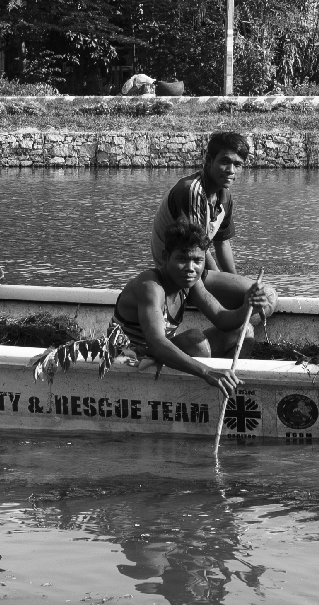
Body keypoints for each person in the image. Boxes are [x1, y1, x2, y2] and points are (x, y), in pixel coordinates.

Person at [113, 221, 269, 403]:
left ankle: (225, 391)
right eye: (182, 259)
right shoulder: (150, 286)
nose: (190, 268)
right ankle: (202, 391)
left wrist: (247, 306)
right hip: (133, 357)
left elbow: (221, 318)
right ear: (165, 257)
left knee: (245, 330)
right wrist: (207, 372)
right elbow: (156, 343)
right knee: (196, 342)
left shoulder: (191, 282)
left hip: (159, 352)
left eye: (198, 261)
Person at [154, 131, 277, 319]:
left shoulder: (224, 196)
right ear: (209, 160)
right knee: (266, 295)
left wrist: (233, 279)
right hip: (180, 272)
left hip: (197, 268)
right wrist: (223, 279)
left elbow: (222, 243)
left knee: (257, 294)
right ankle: (232, 332)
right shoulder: (192, 191)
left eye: (238, 164)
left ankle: (232, 332)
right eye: (225, 161)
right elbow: (195, 248)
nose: (231, 170)